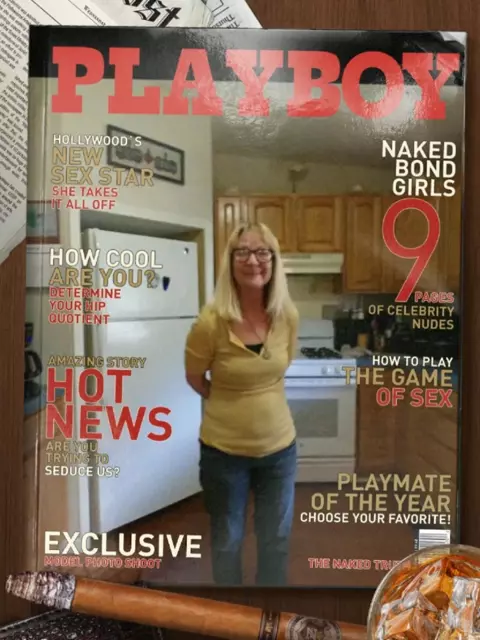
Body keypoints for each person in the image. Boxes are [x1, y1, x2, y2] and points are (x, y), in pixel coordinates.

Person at [184, 221, 299, 586]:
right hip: (224, 454)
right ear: (230, 261)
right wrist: (231, 403)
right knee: (227, 541)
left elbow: (280, 368)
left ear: (274, 260)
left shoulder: (287, 317)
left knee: (276, 540)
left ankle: (271, 609)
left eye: (262, 251)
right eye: (243, 252)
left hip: (279, 451)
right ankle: (230, 612)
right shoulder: (209, 323)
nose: (253, 260)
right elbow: (194, 377)